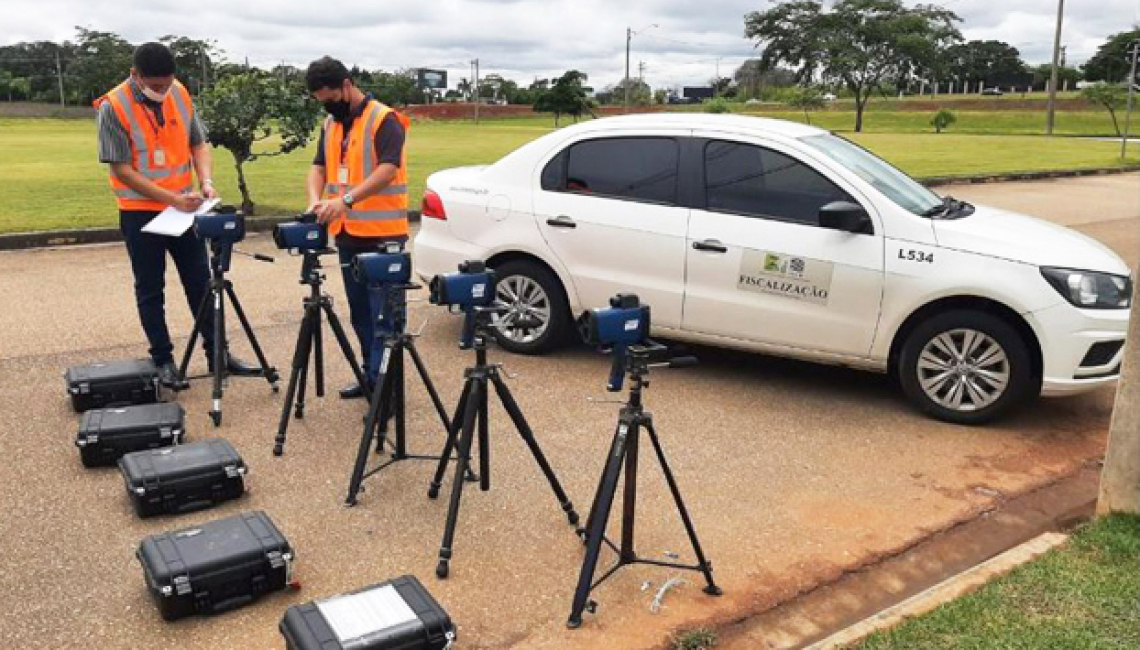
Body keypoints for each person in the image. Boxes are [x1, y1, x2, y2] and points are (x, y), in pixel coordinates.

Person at [95, 42, 256, 387]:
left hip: (183, 210)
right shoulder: (113, 107)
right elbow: (122, 170)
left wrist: (207, 181)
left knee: (201, 283)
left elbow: (198, 142)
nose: (162, 91)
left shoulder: (179, 93)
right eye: (155, 86)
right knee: (151, 288)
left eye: (166, 84)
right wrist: (170, 197)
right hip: (141, 213)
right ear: (134, 76)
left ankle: (218, 354)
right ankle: (163, 360)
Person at [305, 56, 411, 399]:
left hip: (383, 237)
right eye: (322, 102)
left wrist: (345, 201)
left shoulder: (384, 119)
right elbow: (319, 167)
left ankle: (387, 390)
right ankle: (370, 377)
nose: (329, 107)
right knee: (361, 315)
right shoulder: (330, 125)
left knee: (386, 320)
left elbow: (388, 169)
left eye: (331, 99)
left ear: (347, 85)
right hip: (349, 235)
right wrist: (314, 200)